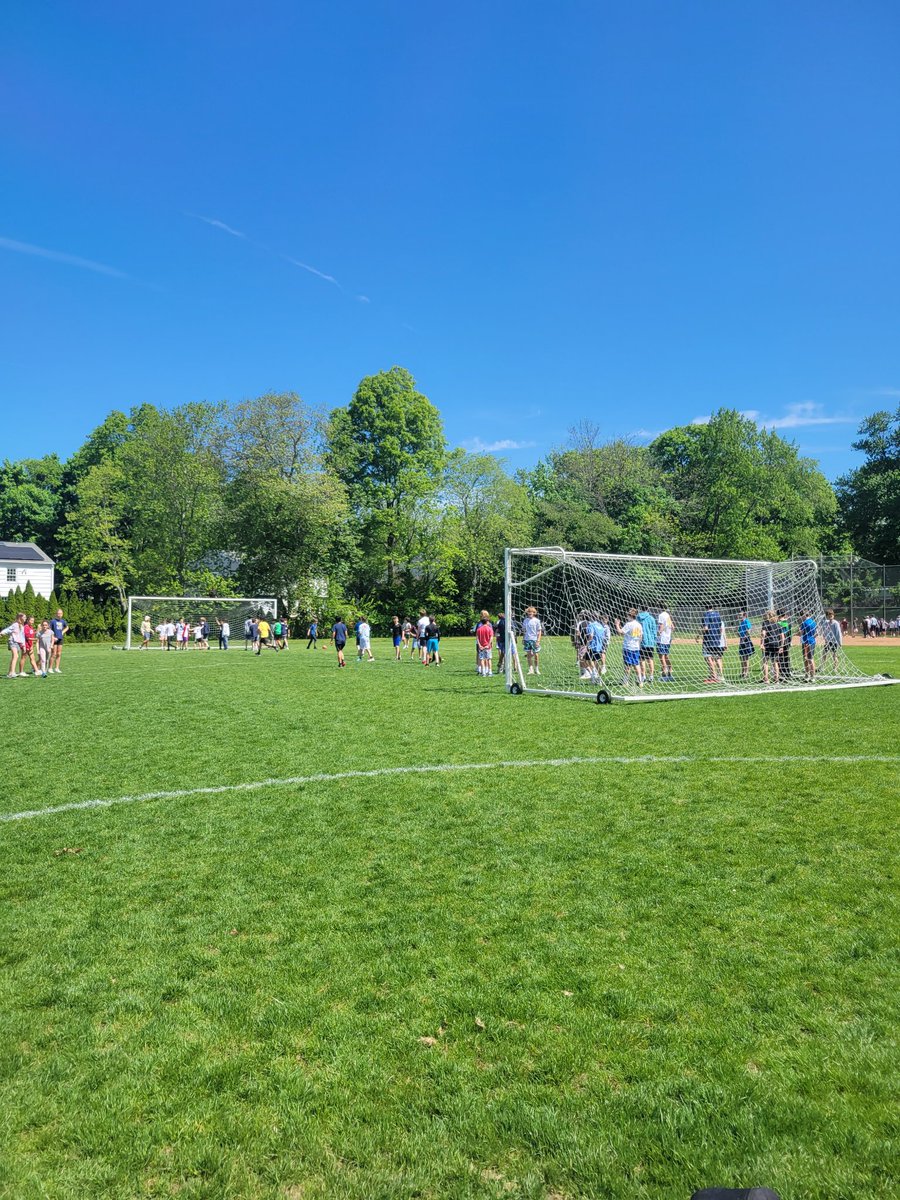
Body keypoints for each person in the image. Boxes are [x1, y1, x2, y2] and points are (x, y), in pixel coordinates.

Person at [699, 607, 725, 684]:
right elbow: (720, 628)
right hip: (716, 640)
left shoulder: (706, 615)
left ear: (705, 607)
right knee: (714, 658)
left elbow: (706, 628)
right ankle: (713, 676)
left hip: (708, 640)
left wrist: (698, 635)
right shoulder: (718, 614)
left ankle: (714, 677)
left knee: (708, 658)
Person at [620, 607, 643, 687]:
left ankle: (625, 681)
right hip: (636, 647)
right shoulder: (639, 625)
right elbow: (641, 637)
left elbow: (621, 632)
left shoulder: (628, 624)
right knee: (636, 664)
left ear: (630, 615)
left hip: (628, 647)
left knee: (627, 665)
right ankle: (640, 681)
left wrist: (616, 624)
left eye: (627, 615)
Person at [582, 614, 608, 682]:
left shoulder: (591, 625)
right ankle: (599, 679)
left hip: (592, 646)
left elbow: (591, 636)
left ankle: (593, 674)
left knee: (588, 660)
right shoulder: (600, 626)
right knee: (597, 662)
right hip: (599, 646)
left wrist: (586, 645)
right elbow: (603, 636)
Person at [760, 609, 783, 684]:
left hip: (768, 644)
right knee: (775, 662)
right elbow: (782, 637)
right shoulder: (778, 624)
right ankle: (776, 680)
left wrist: (762, 643)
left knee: (765, 662)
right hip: (776, 644)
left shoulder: (766, 623)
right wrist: (781, 646)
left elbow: (763, 633)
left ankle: (766, 679)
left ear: (768, 615)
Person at [636, 608, 657, 684]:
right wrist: (654, 639)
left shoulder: (637, 617)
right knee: (650, 659)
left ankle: (643, 676)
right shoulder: (651, 618)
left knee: (642, 660)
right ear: (648, 609)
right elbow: (654, 630)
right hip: (650, 642)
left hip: (641, 642)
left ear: (640, 609)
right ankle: (651, 676)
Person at [2, 612, 26, 678]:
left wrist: (23, 646)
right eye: (24, 617)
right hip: (12, 642)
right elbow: (8, 629)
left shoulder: (22, 626)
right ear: (20, 618)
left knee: (14, 657)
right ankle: (12, 673)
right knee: (16, 656)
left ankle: (9, 673)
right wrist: (1, 633)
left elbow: (22, 637)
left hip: (17, 643)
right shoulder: (15, 625)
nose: (25, 618)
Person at [522, 606, 543, 676]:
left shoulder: (537, 621)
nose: (530, 613)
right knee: (528, 654)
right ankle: (531, 669)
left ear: (534, 613)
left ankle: (537, 669)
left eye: (531, 612)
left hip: (534, 639)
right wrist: (523, 638)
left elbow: (539, 631)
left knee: (536, 654)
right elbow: (524, 631)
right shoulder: (525, 620)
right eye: (528, 612)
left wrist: (538, 640)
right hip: (527, 639)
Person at [821, 608, 842, 674]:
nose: (830, 616)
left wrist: (839, 643)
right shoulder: (826, 622)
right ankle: (822, 667)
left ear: (833, 615)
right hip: (828, 642)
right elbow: (824, 630)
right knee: (824, 654)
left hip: (834, 642)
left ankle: (835, 668)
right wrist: (825, 637)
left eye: (831, 615)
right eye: (828, 615)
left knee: (834, 655)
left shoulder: (835, 623)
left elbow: (838, 633)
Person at [656, 608, 674, 682]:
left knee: (661, 656)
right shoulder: (668, 615)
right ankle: (670, 670)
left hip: (662, 638)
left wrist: (659, 632)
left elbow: (661, 625)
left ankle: (664, 673)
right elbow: (673, 627)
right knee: (666, 655)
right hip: (668, 638)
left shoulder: (661, 615)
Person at [49, 608, 69, 673]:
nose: (59, 615)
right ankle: (50, 668)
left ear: (62, 614)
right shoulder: (52, 621)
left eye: (60, 614)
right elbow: (49, 629)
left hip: (60, 639)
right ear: (56, 614)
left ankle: (57, 668)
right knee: (53, 654)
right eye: (58, 613)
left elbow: (67, 627)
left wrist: (62, 632)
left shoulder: (63, 621)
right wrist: (53, 637)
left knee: (59, 654)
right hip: (54, 639)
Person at [799, 609, 817, 681]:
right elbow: (816, 633)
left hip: (806, 642)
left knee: (807, 659)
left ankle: (808, 675)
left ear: (804, 615)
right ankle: (812, 676)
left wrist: (798, 632)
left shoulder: (804, 623)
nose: (801, 617)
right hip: (812, 641)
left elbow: (801, 633)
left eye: (801, 615)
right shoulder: (814, 622)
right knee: (811, 658)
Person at [475, 610, 495, 676]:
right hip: (487, 646)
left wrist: (480, 645)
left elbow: (477, 638)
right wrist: (489, 644)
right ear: (487, 621)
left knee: (482, 659)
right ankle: (489, 672)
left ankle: (483, 672)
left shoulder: (479, 629)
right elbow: (491, 637)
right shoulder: (490, 628)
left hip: (481, 646)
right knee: (488, 659)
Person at [737, 610, 755, 680]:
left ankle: (746, 673)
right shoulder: (741, 623)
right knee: (741, 657)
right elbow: (739, 632)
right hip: (741, 641)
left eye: (740, 615)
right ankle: (743, 672)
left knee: (746, 657)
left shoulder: (746, 621)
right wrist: (738, 633)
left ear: (744, 615)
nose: (739, 616)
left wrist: (745, 636)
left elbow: (749, 629)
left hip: (746, 641)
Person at [777, 610, 792, 680]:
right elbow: (790, 633)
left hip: (780, 642)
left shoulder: (778, 623)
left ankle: (782, 674)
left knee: (780, 658)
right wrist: (790, 641)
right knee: (786, 657)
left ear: (778, 615)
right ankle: (787, 673)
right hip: (787, 642)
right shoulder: (788, 623)